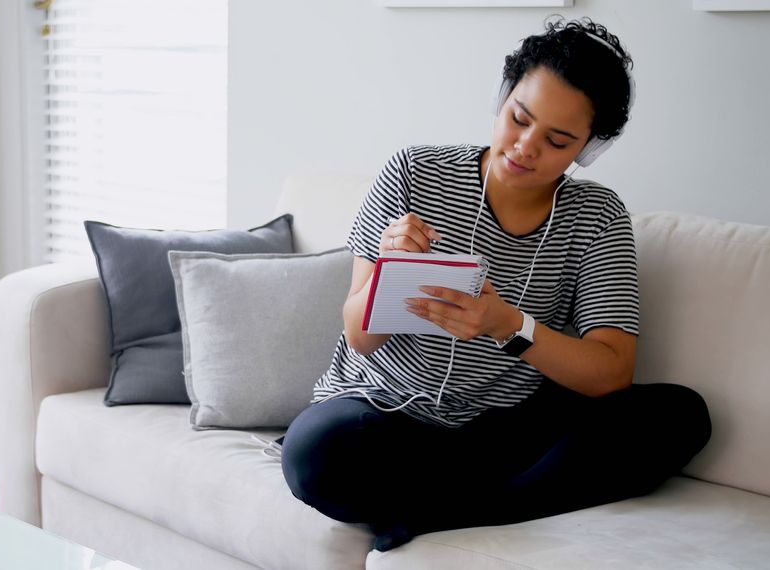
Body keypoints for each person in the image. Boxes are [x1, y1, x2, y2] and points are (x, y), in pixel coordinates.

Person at [280, 16, 712, 552]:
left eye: (557, 140)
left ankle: (468, 513)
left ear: (588, 148)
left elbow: (611, 374)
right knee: (315, 453)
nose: (527, 147)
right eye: (519, 118)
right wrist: (391, 269)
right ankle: (499, 504)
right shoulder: (414, 174)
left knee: (679, 415)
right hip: (386, 413)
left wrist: (511, 326)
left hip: (505, 429)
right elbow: (361, 337)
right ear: (501, 97)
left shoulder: (596, 216)